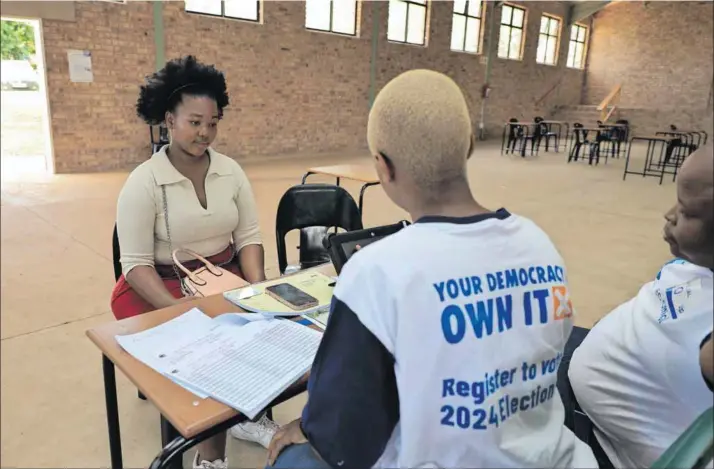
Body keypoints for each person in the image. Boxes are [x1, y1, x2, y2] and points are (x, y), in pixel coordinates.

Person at [266, 70, 597, 468]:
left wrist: (304, 425)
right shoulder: (539, 245)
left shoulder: (377, 271)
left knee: (290, 459)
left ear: (383, 168)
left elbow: (343, 432)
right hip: (554, 458)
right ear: (469, 147)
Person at [110, 56, 278, 469]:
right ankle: (210, 458)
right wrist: (180, 312)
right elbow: (133, 265)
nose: (205, 133)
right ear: (169, 119)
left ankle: (244, 414)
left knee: (264, 330)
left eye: (213, 122)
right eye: (195, 122)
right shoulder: (144, 181)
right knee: (207, 349)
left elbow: (249, 239)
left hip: (223, 276)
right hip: (158, 289)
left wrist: (257, 291)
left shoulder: (231, 171)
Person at [563, 143, 714, 469]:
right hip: (596, 361)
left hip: (591, 428)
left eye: (687, 212)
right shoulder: (696, 264)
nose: (670, 214)